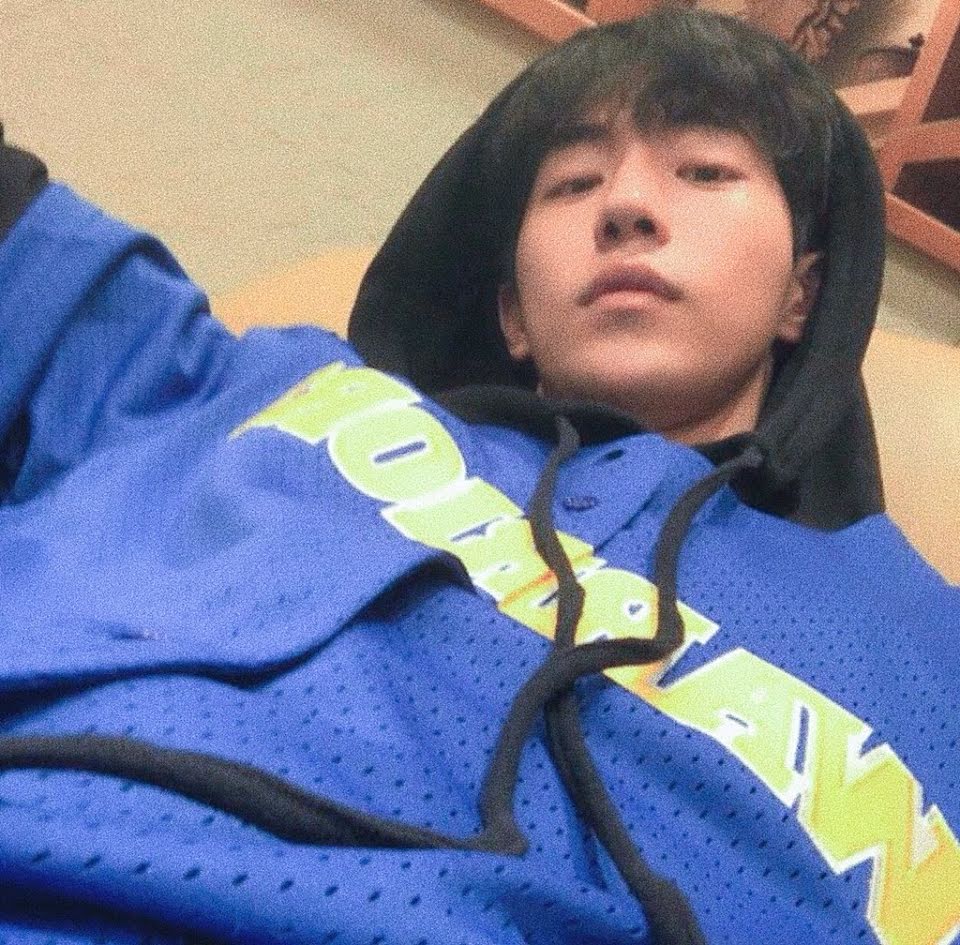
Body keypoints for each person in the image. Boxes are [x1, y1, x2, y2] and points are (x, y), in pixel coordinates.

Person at [0, 7, 957, 945]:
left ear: (800, 295)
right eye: (573, 182)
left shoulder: (925, 646)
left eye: (705, 170)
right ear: (514, 315)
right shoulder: (258, 387)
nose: (625, 205)